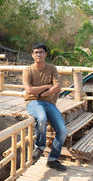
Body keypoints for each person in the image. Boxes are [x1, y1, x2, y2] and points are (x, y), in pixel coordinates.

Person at [22, 42, 67, 171]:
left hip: (49, 103)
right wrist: (48, 87)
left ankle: (53, 159)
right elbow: (29, 91)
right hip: (32, 102)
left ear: (45, 54)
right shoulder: (28, 71)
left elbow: (57, 87)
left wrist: (40, 93)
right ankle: (40, 146)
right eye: (36, 52)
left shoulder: (52, 69)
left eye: (41, 52)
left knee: (63, 131)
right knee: (41, 118)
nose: (38, 54)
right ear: (32, 55)